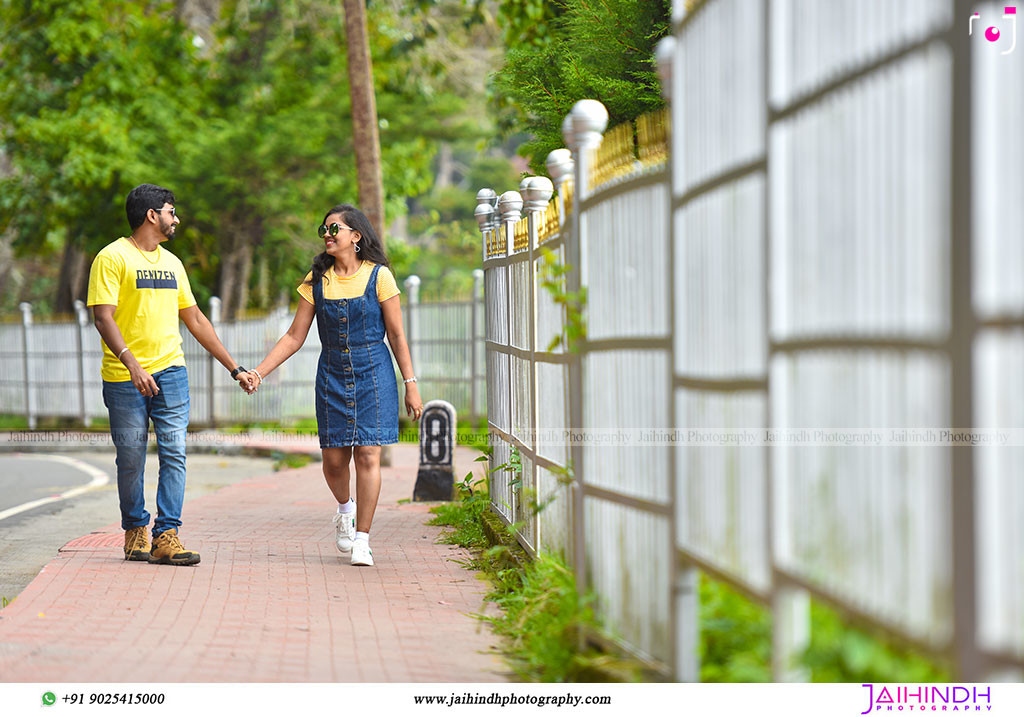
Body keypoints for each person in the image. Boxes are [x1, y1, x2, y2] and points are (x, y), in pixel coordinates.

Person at [241, 203, 422, 567]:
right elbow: (294, 336)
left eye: (334, 229)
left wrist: (411, 383)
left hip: (374, 370)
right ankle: (345, 509)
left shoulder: (380, 276)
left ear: (356, 236)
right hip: (332, 373)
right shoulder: (316, 280)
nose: (327, 234)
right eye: (323, 229)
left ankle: (363, 539)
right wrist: (259, 372)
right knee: (334, 459)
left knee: (368, 454)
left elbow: (398, 335)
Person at [87, 183, 254, 567]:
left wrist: (235, 368)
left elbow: (194, 319)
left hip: (172, 372)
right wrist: (133, 366)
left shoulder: (173, 264)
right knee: (131, 457)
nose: (175, 219)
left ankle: (166, 535)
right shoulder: (111, 258)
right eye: (170, 211)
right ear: (151, 215)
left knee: (175, 452)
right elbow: (103, 316)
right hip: (124, 377)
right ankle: (135, 530)